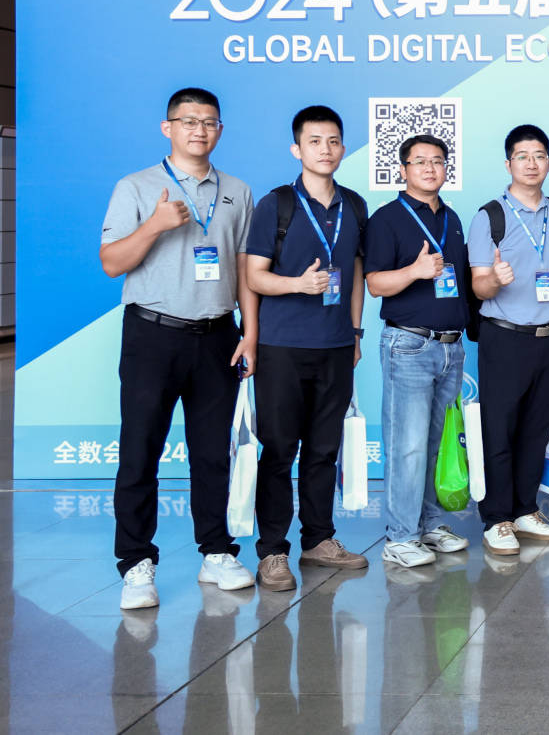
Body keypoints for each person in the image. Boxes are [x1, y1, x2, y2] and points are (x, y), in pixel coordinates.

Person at [100, 87, 259, 609]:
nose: (199, 130)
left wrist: (250, 333)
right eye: (188, 121)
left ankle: (216, 551)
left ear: (220, 130)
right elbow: (111, 262)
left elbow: (244, 268)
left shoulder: (237, 190)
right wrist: (155, 225)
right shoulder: (136, 187)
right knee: (140, 449)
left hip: (218, 335)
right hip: (153, 333)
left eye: (209, 121)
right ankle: (136, 562)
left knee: (213, 452)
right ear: (167, 128)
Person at [242, 105, 371, 591]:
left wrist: (355, 333)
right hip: (282, 347)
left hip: (336, 346)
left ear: (343, 148)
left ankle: (318, 540)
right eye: (315, 141)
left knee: (323, 450)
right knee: (279, 450)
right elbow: (253, 276)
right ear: (297, 149)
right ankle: (273, 551)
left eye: (333, 141)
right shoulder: (276, 205)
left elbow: (355, 270)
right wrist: (298, 284)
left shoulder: (354, 206)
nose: (326, 149)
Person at [364, 133, 471, 567]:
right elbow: (375, 284)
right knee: (406, 445)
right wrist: (414, 270)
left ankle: (428, 524)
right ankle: (400, 537)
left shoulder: (453, 218)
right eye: (420, 161)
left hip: (450, 347)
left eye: (438, 161)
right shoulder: (386, 219)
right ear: (403, 169)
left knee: (436, 443)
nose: (430, 168)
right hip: (409, 344)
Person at [468, 124, 549, 557]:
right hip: (505, 337)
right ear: (508, 163)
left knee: (537, 428)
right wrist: (494, 279)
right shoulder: (489, 216)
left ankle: (526, 509)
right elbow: (478, 287)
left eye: (539, 155)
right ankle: (497, 518)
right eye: (522, 156)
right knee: (500, 429)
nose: (531, 163)